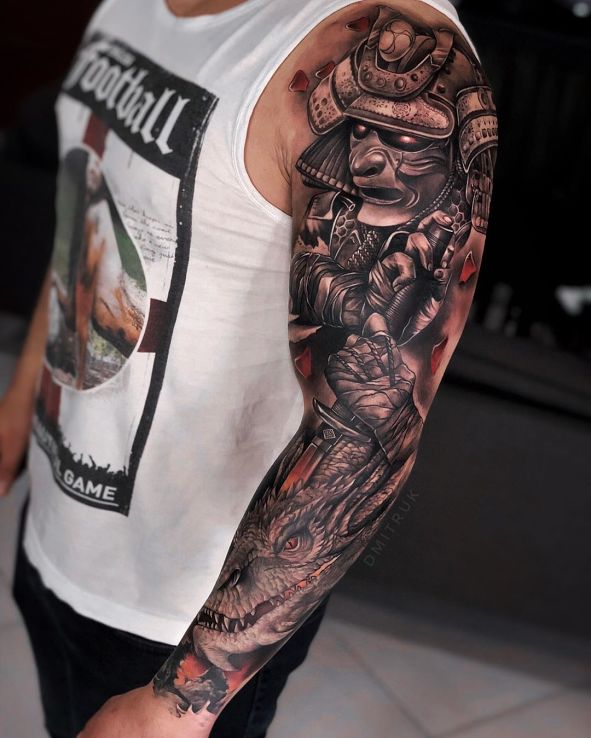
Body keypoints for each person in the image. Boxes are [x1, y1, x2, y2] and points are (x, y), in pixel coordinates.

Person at [0, 0, 497, 736]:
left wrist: (179, 704)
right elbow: (90, 224)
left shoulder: (386, 59)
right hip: (57, 528)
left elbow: (367, 435)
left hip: (181, 621)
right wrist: (15, 423)